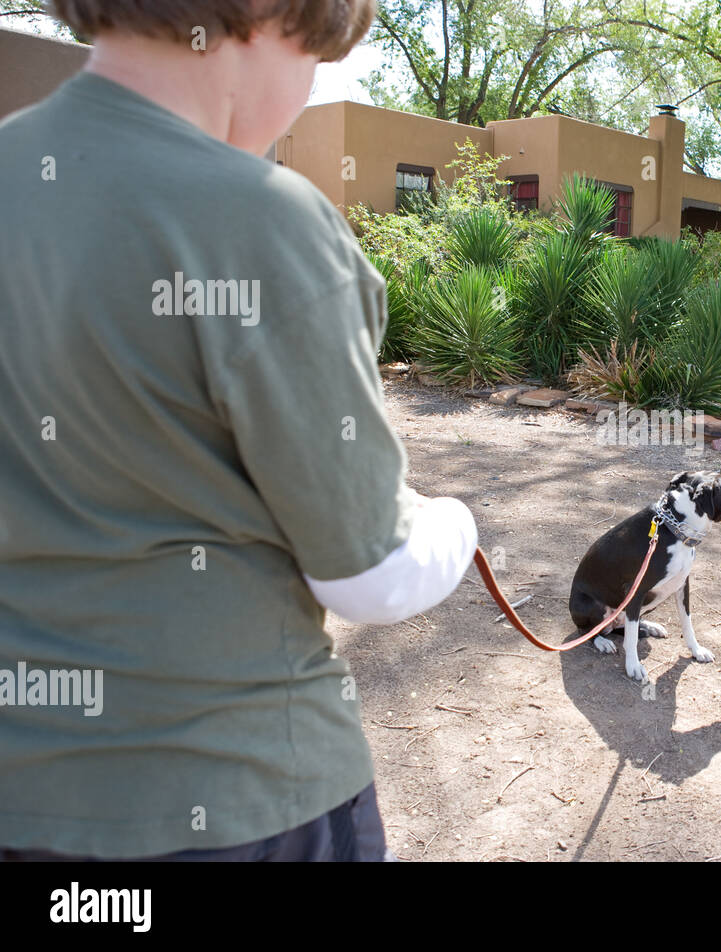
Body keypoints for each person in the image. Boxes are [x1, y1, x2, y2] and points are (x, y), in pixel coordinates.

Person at [0, 0, 479, 860]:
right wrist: (455, 522)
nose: (306, 94)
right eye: (316, 62)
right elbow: (370, 574)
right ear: (266, 16)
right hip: (236, 800)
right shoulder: (262, 219)